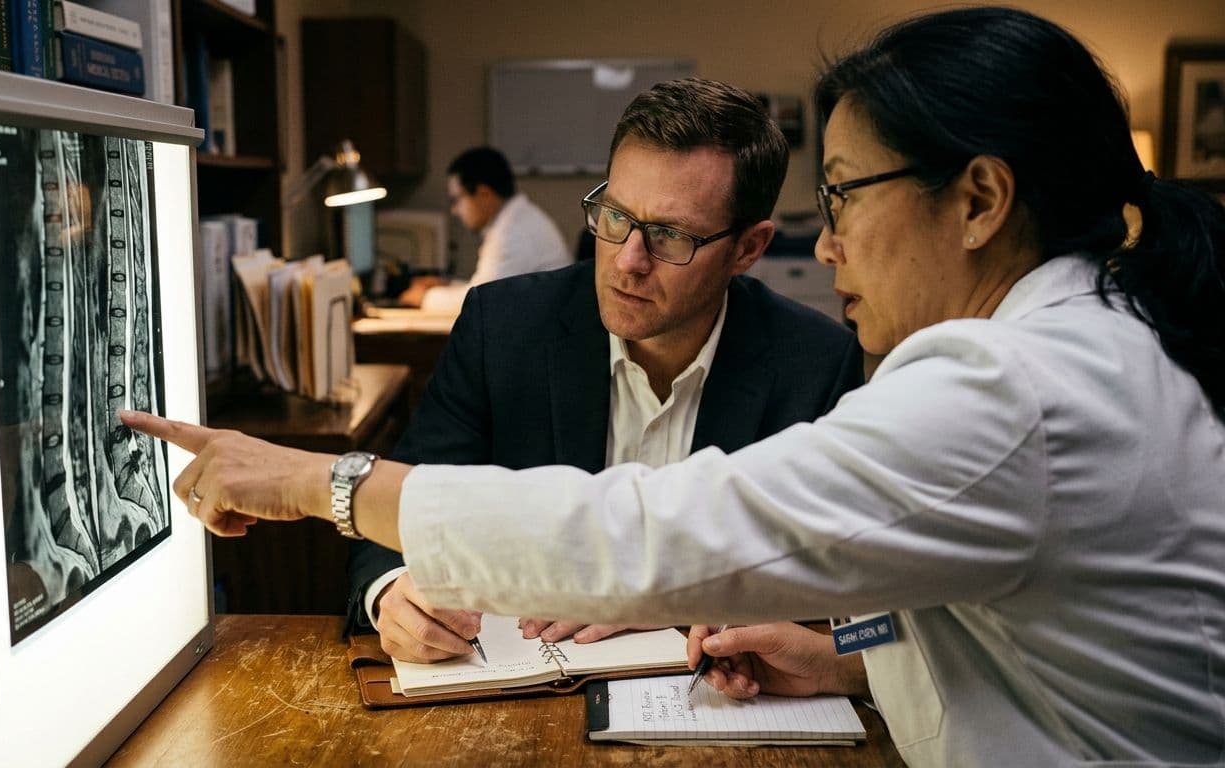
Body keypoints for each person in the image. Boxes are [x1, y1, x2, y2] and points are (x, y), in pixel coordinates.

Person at [123, 6, 1225, 766]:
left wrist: (324, 482)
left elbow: (668, 531)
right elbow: (1005, 621)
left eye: (842, 197)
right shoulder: (1096, 339)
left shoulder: (1006, 382)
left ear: (979, 199)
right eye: (615, 219)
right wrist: (847, 660)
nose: (829, 247)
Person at [347, 78, 864, 663]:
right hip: (515, 689)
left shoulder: (816, 364)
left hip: (714, 704)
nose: (627, 260)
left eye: (669, 235)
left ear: (748, 248)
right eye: (615, 216)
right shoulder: (506, 327)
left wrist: (670, 598)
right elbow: (403, 501)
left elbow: (857, 609)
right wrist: (393, 592)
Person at [397, 147, 570, 310]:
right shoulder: (514, 221)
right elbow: (486, 287)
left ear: (484, 194)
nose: (454, 211)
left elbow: (485, 302)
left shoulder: (514, 234)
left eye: (456, 200)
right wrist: (447, 286)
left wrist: (426, 298)